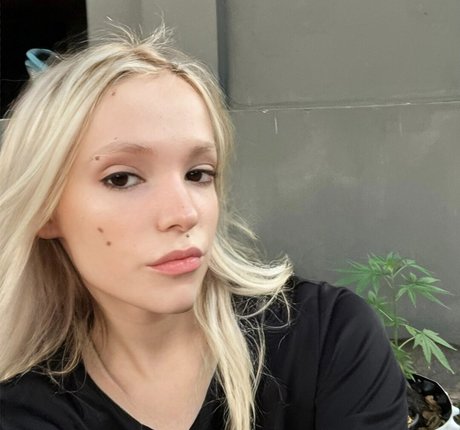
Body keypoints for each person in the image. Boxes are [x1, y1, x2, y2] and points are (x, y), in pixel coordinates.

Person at [0, 27, 407, 430]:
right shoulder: (25, 408)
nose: (184, 213)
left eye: (198, 173)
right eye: (122, 178)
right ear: (45, 211)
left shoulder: (327, 337)